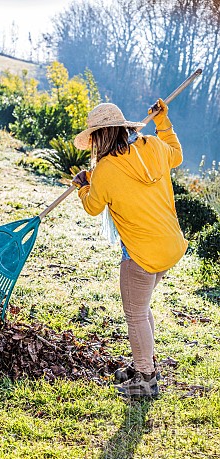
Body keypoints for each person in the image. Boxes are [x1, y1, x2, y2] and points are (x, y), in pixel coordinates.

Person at [72, 99, 188, 398]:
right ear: (123, 130)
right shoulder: (153, 146)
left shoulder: (106, 170)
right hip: (170, 245)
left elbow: (92, 207)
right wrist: (163, 122)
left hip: (140, 253)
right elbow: (176, 155)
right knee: (142, 307)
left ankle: (146, 380)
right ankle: (143, 364)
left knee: (135, 313)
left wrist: (83, 185)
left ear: (99, 137)